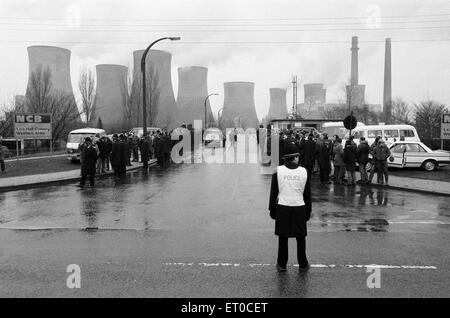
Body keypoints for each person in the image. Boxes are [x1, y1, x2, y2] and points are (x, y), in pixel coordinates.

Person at [269, 142, 311, 273]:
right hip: (299, 208)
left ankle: (282, 265)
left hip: (283, 207)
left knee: (283, 238)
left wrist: (272, 210)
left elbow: (273, 193)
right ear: (295, 157)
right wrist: (308, 212)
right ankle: (303, 264)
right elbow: (307, 195)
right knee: (300, 239)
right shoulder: (304, 172)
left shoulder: (278, 171)